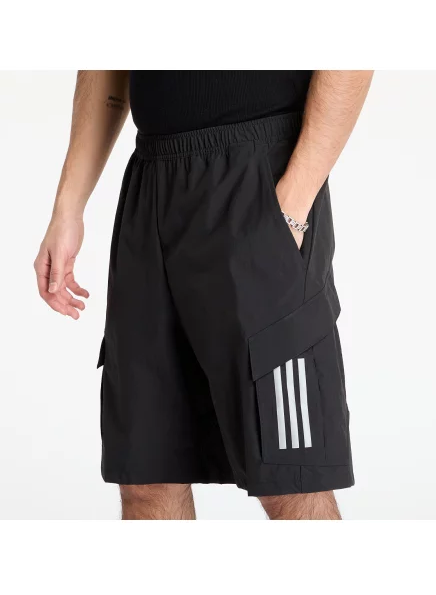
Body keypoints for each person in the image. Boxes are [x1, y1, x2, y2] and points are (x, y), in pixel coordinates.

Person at [34, 70, 373, 520]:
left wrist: (293, 202)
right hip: (152, 183)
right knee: (146, 478)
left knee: (293, 480)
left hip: (260, 174)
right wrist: (68, 208)